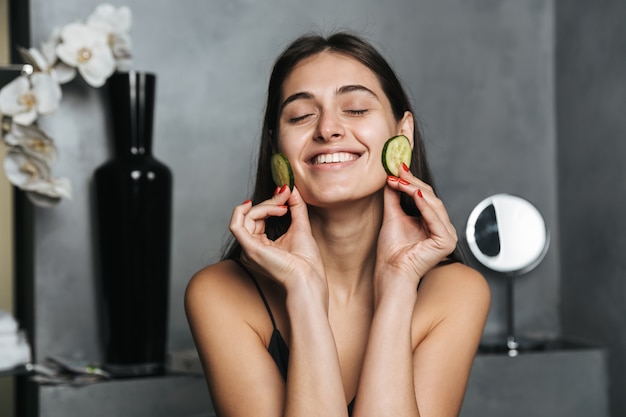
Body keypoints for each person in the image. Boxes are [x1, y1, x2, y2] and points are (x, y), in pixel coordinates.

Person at [185, 31, 491, 417]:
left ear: (402, 133)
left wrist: (399, 282)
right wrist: (304, 290)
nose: (327, 129)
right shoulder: (219, 293)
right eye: (300, 116)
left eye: (357, 109)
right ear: (277, 146)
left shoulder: (456, 292)